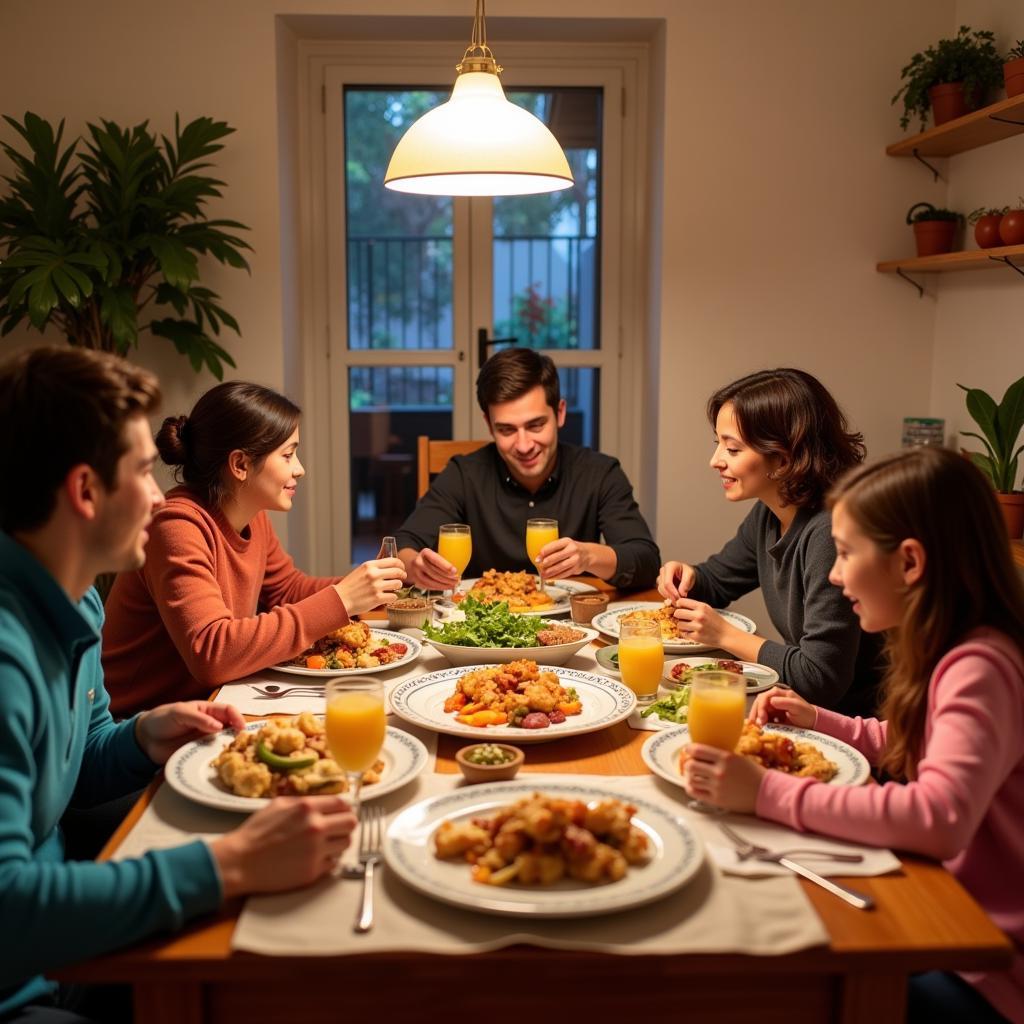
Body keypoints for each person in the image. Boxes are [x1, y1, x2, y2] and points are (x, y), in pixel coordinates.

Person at [0, 347, 357, 1024]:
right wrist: (224, 867)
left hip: (74, 945)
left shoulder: (75, 603)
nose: (161, 495)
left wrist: (138, 736)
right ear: (84, 491)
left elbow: (76, 763)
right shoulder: (6, 655)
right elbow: (10, 913)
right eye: (141, 471)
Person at [682, 447, 1024, 1024]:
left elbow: (937, 818)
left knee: (769, 988)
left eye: (844, 554)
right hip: (950, 912)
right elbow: (911, 737)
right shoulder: (957, 649)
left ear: (910, 563)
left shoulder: (979, 667)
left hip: (986, 961)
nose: (835, 575)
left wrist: (767, 794)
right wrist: (821, 720)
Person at [102, 381, 406, 718]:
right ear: (240, 465)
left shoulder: (251, 516)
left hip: (212, 703)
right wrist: (343, 598)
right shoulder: (175, 525)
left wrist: (369, 587)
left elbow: (287, 590)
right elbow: (212, 653)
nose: (299, 469)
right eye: (288, 454)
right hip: (141, 727)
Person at [657, 368, 882, 716]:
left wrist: (725, 635)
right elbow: (716, 582)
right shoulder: (770, 513)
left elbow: (821, 678)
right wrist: (688, 576)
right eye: (717, 444)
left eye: (732, 448)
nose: (715, 460)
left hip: (852, 728)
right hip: (802, 708)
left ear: (782, 458)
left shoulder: (830, 532)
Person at [396, 347, 660, 591]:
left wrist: (589, 556)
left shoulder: (600, 473)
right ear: (489, 425)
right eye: (507, 429)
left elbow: (647, 560)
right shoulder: (464, 474)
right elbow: (403, 547)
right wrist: (415, 567)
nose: (523, 446)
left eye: (536, 426)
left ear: (560, 413)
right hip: (480, 632)